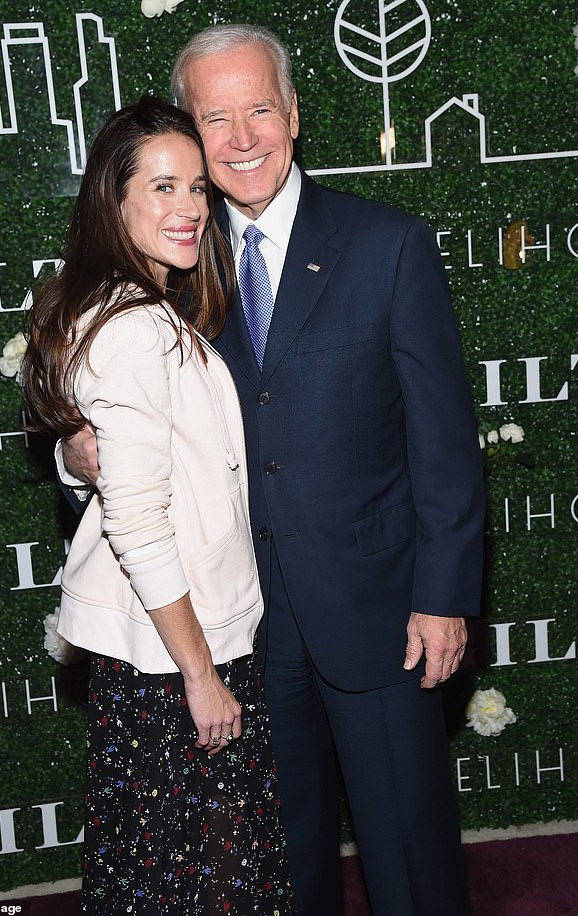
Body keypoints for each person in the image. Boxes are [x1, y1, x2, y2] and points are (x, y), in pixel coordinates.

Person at [62, 26, 486, 916]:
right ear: (192, 132)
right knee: (271, 863)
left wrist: (444, 594)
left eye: (261, 108)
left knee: (408, 852)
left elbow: (444, 440)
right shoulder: (175, 249)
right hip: (240, 625)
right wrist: (75, 450)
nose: (243, 136)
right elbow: (114, 397)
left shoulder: (388, 244)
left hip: (378, 608)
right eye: (217, 117)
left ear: (294, 115)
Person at [21, 94, 294, 915]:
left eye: (197, 190)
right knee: (208, 879)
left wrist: (80, 457)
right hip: (172, 661)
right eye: (163, 188)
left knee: (162, 873)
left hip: (162, 655)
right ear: (116, 200)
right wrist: (202, 676)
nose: (189, 210)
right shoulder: (137, 327)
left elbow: (125, 467)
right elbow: (140, 521)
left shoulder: (132, 308)